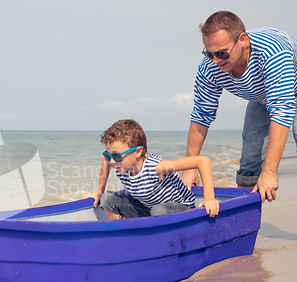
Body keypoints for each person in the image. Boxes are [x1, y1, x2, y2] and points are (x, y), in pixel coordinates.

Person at [181, 11, 297, 203]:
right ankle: (243, 222)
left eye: (221, 53)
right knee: (250, 162)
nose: (216, 61)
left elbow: (282, 111)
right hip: (265, 97)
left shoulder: (273, 52)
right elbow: (201, 116)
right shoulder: (209, 67)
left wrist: (269, 172)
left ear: (242, 40)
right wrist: (189, 167)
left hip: (287, 87)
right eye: (209, 53)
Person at [85, 119, 219, 219]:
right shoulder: (119, 165)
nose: (112, 161)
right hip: (148, 208)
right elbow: (105, 162)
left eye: (116, 155)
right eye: (108, 155)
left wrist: (209, 198)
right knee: (107, 199)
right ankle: (127, 233)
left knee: (159, 210)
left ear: (137, 152)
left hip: (179, 209)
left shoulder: (157, 167)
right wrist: (99, 190)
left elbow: (202, 161)